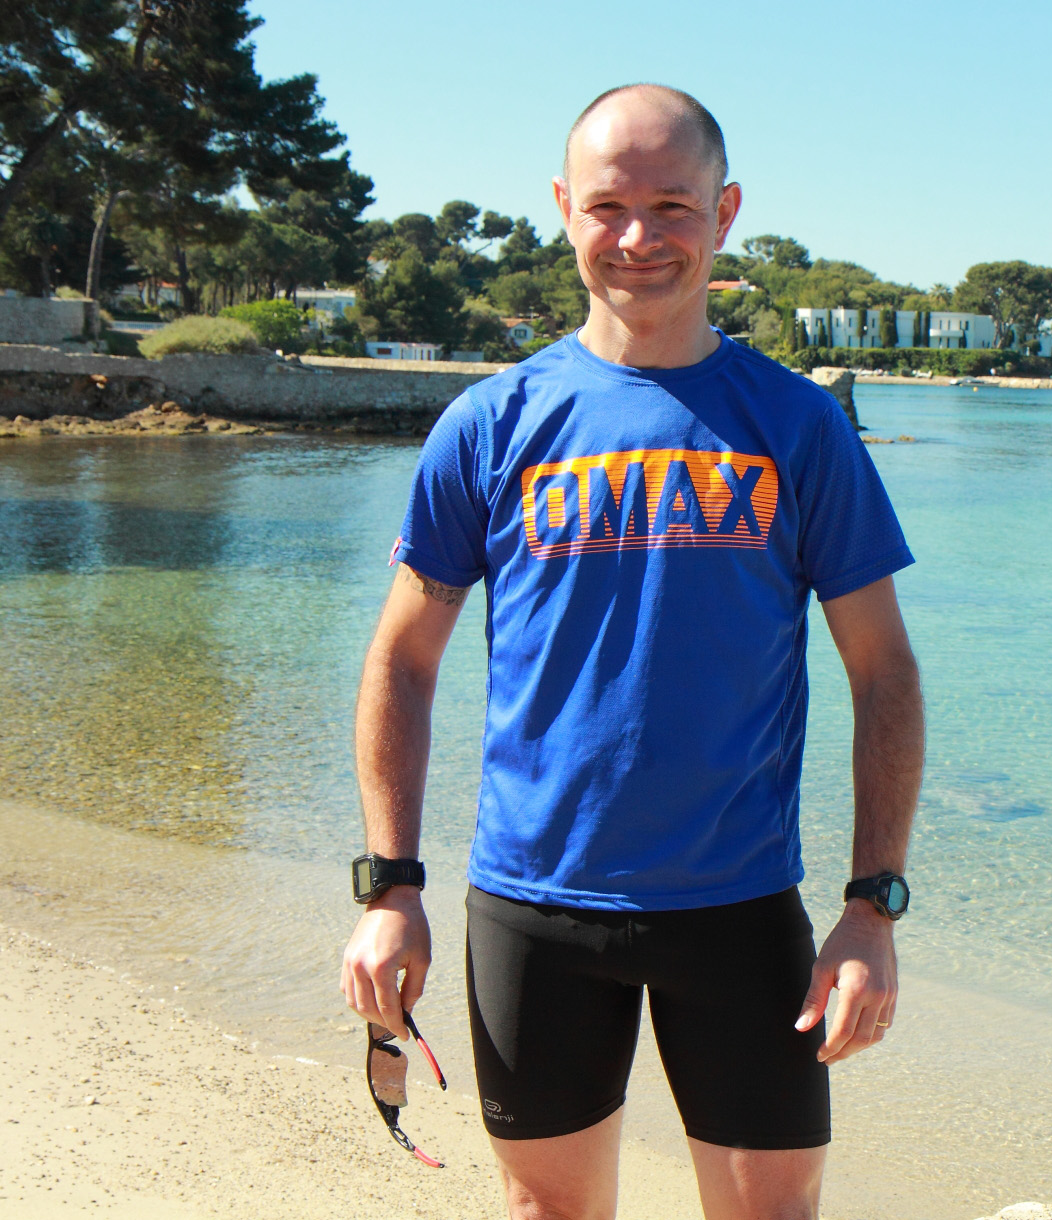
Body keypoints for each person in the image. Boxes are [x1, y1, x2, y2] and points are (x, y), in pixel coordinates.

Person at [339, 83, 924, 1220]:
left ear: (726, 211)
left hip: (741, 908)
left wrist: (873, 906)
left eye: (673, 204)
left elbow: (883, 672)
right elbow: (403, 660)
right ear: (565, 209)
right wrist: (391, 885)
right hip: (531, 908)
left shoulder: (799, 427)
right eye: (610, 205)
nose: (640, 237)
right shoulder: (491, 424)